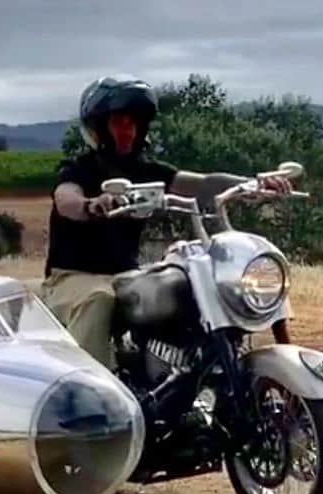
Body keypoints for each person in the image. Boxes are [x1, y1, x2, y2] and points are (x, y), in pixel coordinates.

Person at [40, 75, 293, 368]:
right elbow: (66, 200)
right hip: (71, 278)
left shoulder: (148, 170)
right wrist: (91, 204)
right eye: (119, 122)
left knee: (183, 288)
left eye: (133, 123)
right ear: (100, 128)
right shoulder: (78, 170)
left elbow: (204, 183)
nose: (128, 131)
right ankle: (91, 390)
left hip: (125, 276)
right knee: (98, 299)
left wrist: (254, 184)